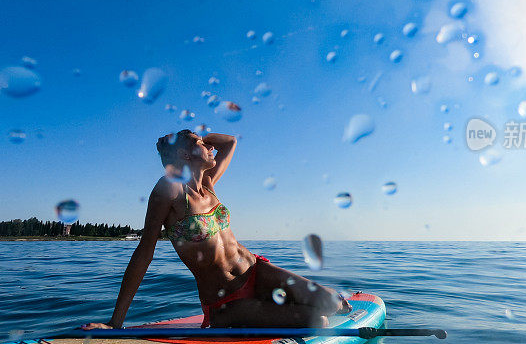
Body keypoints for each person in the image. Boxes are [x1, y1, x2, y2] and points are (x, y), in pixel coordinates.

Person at [82, 130, 350, 331]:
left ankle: (298, 300)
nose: (209, 147)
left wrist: (195, 139)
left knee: (331, 303)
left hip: (256, 271)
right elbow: (144, 252)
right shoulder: (169, 189)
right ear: (186, 155)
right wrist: (115, 323)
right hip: (226, 300)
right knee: (318, 321)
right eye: (201, 144)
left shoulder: (208, 184)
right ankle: (249, 314)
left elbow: (230, 142)